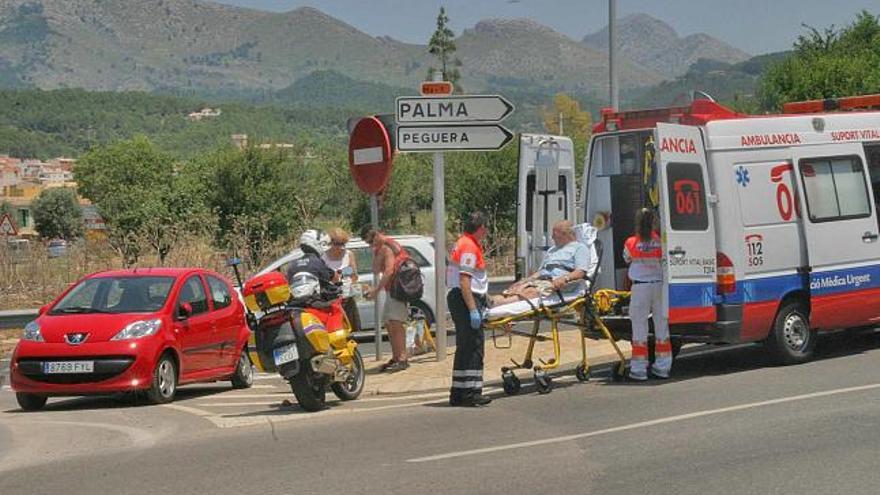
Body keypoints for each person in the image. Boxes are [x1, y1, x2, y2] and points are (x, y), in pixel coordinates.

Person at [492, 220, 596, 306]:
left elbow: (580, 272)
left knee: (530, 291)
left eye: (555, 234)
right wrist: (526, 280)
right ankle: (491, 302)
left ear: (565, 235)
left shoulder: (579, 248)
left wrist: (565, 278)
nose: (552, 237)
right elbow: (542, 271)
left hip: (560, 283)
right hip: (544, 280)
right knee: (516, 288)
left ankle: (502, 303)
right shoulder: (553, 250)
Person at [448, 212, 492, 407]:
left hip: (461, 297)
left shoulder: (463, 242)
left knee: (464, 347)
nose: (486, 232)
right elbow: (465, 280)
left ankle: (458, 392)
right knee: (474, 347)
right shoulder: (468, 246)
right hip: (465, 298)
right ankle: (471, 393)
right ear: (481, 228)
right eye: (486, 228)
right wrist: (473, 308)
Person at [623, 208, 672, 381]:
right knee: (661, 325)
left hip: (640, 287)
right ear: (655, 222)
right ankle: (663, 367)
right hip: (659, 285)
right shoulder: (662, 241)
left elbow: (627, 259)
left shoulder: (631, 242)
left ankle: (639, 369)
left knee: (639, 326)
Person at [360, 226, 409, 372]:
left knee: (396, 322)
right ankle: (396, 357)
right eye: (369, 243)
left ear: (377, 235)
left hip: (397, 289)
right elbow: (375, 270)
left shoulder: (389, 247)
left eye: (372, 241)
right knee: (388, 323)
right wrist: (376, 252)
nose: (372, 245)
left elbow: (388, 271)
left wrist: (376, 291)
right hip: (390, 290)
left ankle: (402, 358)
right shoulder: (380, 249)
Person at [286, 229, 345, 332]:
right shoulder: (317, 262)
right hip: (313, 302)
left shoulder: (293, 264)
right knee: (335, 311)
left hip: (294, 305)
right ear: (317, 243)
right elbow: (331, 278)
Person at [322, 228, 362, 333]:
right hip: (330, 298)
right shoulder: (324, 256)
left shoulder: (348, 254)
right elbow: (321, 276)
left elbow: (354, 273)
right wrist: (331, 277)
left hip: (346, 296)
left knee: (351, 327)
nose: (339, 247)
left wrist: (340, 273)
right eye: (337, 244)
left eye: (342, 244)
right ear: (331, 243)